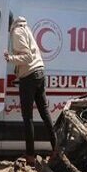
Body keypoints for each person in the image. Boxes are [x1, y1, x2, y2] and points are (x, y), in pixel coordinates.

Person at [4, 15, 56, 164]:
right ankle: (56, 149)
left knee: (28, 117)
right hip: (39, 72)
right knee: (45, 112)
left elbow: (27, 57)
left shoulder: (16, 32)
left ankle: (30, 156)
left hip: (29, 76)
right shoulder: (25, 28)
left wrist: (9, 58)